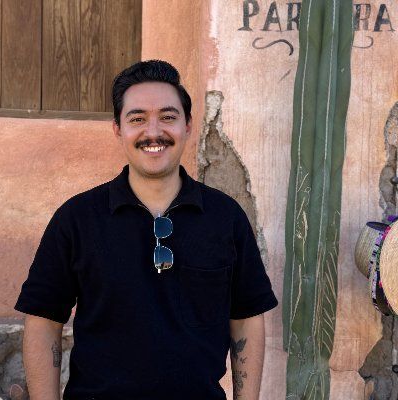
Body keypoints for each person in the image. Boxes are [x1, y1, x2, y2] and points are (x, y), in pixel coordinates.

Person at [15, 60, 278, 400]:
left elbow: (246, 319)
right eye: (137, 119)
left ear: (187, 125)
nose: (153, 132)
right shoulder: (76, 219)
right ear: (117, 129)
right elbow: (43, 321)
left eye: (167, 117)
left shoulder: (226, 218)